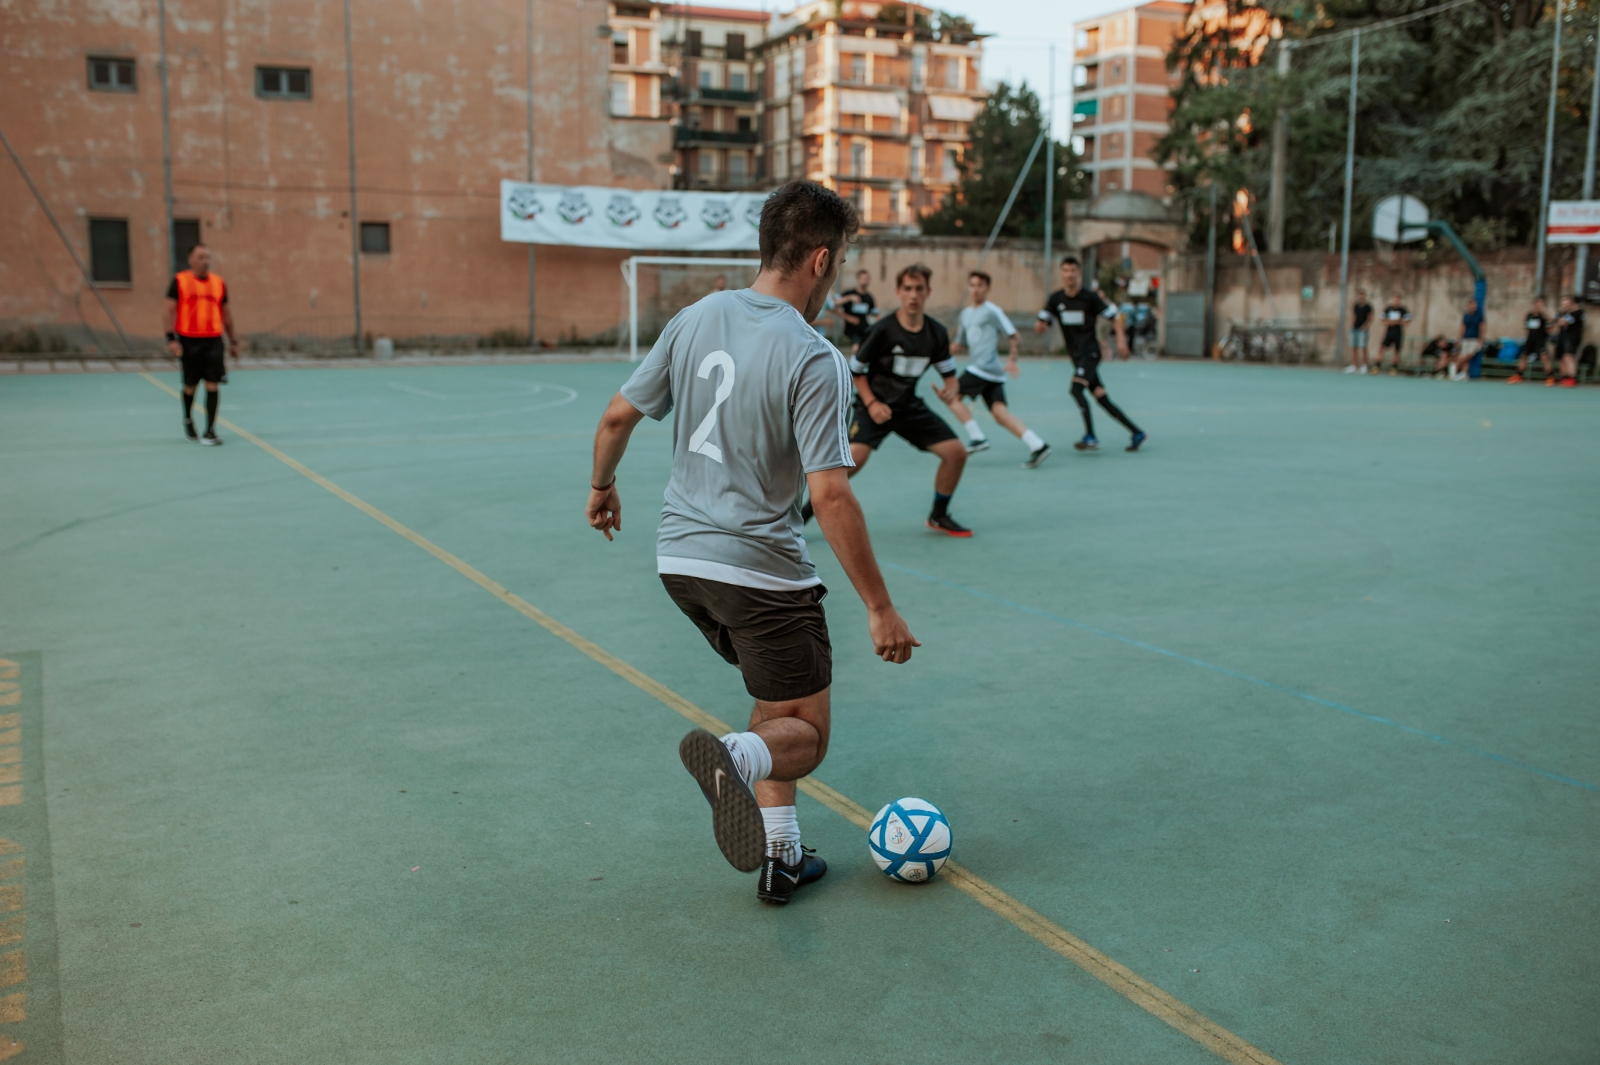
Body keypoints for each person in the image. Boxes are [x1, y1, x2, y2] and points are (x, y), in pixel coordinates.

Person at [584, 181, 919, 906]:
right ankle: (733, 759)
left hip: (680, 563)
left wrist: (602, 486)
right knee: (805, 734)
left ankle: (782, 856)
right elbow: (830, 495)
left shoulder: (695, 316)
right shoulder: (814, 356)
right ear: (821, 260)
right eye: (839, 264)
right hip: (759, 571)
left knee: (777, 704)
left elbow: (615, 417)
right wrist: (879, 606)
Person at [822, 263, 973, 536]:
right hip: (873, 405)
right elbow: (856, 371)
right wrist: (872, 404)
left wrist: (951, 390)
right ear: (898, 292)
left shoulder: (936, 333)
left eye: (919, 289)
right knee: (851, 463)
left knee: (956, 454)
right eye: (908, 288)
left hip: (907, 407)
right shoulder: (882, 330)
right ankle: (801, 516)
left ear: (928, 292)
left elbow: (950, 376)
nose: (913, 295)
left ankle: (939, 515)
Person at [1035, 256, 1146, 452]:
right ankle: (1137, 432)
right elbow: (1041, 323)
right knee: (1101, 398)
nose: (1069, 274)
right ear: (1061, 273)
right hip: (1076, 357)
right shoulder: (1056, 299)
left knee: (1076, 389)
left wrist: (1121, 341)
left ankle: (1090, 436)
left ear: (1079, 273)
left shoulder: (1089, 297)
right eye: (1066, 270)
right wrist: (1041, 326)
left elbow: (1114, 318)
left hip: (1091, 353)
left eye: (1073, 270)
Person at [942, 270, 1051, 468]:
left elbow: (1014, 336)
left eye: (980, 285)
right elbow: (959, 344)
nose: (976, 289)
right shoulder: (965, 315)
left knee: (952, 396)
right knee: (1001, 415)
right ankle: (1038, 445)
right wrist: (935, 354)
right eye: (972, 285)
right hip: (990, 375)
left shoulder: (993, 311)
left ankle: (977, 437)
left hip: (982, 369)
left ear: (988, 289)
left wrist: (1012, 359)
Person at [164, 244, 237, 444]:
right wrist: (171, 339)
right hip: (189, 341)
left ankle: (210, 431)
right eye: (201, 257)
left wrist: (233, 341)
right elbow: (168, 311)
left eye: (207, 257)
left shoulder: (219, 282)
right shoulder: (180, 281)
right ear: (191, 260)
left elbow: (226, 314)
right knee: (190, 386)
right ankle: (188, 418)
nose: (205, 261)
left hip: (213, 340)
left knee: (212, 384)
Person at [1508, 297, 1552, 384]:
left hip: (1540, 340)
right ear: (1534, 304)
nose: (1539, 306)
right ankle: (1518, 375)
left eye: (1541, 304)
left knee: (1544, 357)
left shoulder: (1544, 317)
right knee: (1523, 356)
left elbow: (1549, 328)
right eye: (1538, 304)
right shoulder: (1529, 315)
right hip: (1530, 340)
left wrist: (1546, 318)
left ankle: (1550, 376)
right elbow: (1526, 327)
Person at [1441, 297, 1484, 380]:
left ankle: (1455, 367)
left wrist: (1481, 339)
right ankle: (1464, 374)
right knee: (1465, 356)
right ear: (1469, 305)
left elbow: (1482, 327)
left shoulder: (1479, 316)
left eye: (1475, 305)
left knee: (1469, 355)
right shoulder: (1466, 315)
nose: (1474, 306)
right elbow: (1462, 327)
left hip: (1475, 339)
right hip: (1466, 339)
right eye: (1472, 305)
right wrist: (1459, 339)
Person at [837, 268, 877, 354]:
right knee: (856, 348)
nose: (866, 281)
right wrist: (849, 298)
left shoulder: (869, 297)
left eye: (867, 279)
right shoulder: (849, 293)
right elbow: (833, 304)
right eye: (864, 278)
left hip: (865, 328)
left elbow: (875, 313)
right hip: (852, 329)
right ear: (858, 279)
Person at [1375, 293, 1410, 375]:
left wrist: (1398, 321)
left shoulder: (1403, 310)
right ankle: (1377, 366)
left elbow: (1407, 323)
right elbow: (1382, 321)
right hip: (1389, 331)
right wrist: (1389, 322)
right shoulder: (1388, 309)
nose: (1396, 301)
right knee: (1382, 348)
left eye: (1397, 299)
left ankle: (1394, 368)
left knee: (1397, 350)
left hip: (1398, 332)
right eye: (1394, 299)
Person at [1553, 294, 1583, 388]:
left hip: (1571, 339)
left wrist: (1561, 320)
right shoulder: (1563, 313)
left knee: (1568, 356)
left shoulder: (1577, 313)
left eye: (1567, 302)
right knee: (1562, 357)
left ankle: (1572, 378)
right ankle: (1565, 377)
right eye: (1563, 302)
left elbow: (1563, 322)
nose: (1565, 304)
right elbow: (1553, 320)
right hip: (1562, 338)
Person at [1347, 289, 1373, 374]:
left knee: (1363, 347)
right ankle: (1354, 365)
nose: (1361, 297)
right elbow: (1354, 316)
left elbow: (1370, 318)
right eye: (1360, 295)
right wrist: (1352, 326)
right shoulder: (1356, 306)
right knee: (1354, 347)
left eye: (1362, 295)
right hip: (1355, 329)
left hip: (1363, 330)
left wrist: (1365, 326)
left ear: (1364, 296)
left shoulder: (1368, 306)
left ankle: (1364, 366)